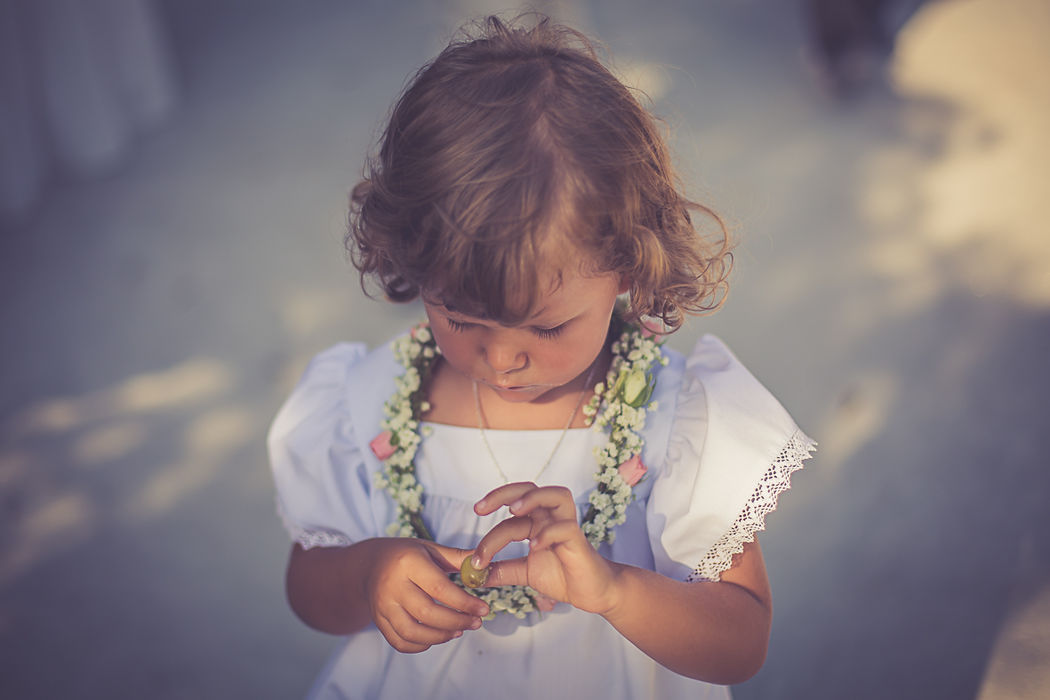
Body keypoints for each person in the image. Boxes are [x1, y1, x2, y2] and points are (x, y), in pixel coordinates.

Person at [268, 14, 815, 699]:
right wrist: (370, 575)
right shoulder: (367, 403)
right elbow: (306, 588)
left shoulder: (677, 423)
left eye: (547, 329)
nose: (501, 360)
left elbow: (741, 640)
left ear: (626, 263)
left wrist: (613, 589)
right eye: (461, 318)